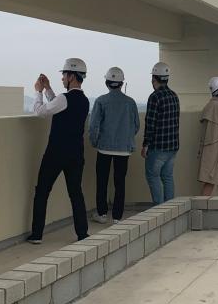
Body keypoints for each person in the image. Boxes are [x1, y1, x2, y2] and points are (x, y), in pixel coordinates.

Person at [27, 58, 90, 244]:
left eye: (64, 75)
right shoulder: (84, 100)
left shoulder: (64, 98)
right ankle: (82, 233)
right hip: (76, 154)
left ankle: (37, 234)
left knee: (42, 191)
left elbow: (41, 111)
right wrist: (48, 88)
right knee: (75, 193)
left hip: (55, 153)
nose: (62, 78)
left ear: (71, 76)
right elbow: (59, 106)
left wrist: (38, 92)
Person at [89, 67, 139, 225]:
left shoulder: (101, 101)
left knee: (102, 182)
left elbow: (94, 126)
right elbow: (136, 125)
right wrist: (126, 138)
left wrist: (94, 142)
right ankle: (117, 217)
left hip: (104, 147)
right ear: (121, 83)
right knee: (120, 183)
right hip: (124, 149)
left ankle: (102, 214)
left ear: (107, 83)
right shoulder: (130, 102)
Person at [142, 62, 180, 204]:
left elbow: (150, 123)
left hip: (158, 147)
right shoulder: (174, 96)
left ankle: (158, 209)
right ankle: (169, 210)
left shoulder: (155, 97)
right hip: (173, 146)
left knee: (153, 176)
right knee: (167, 177)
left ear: (154, 78)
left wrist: (146, 144)